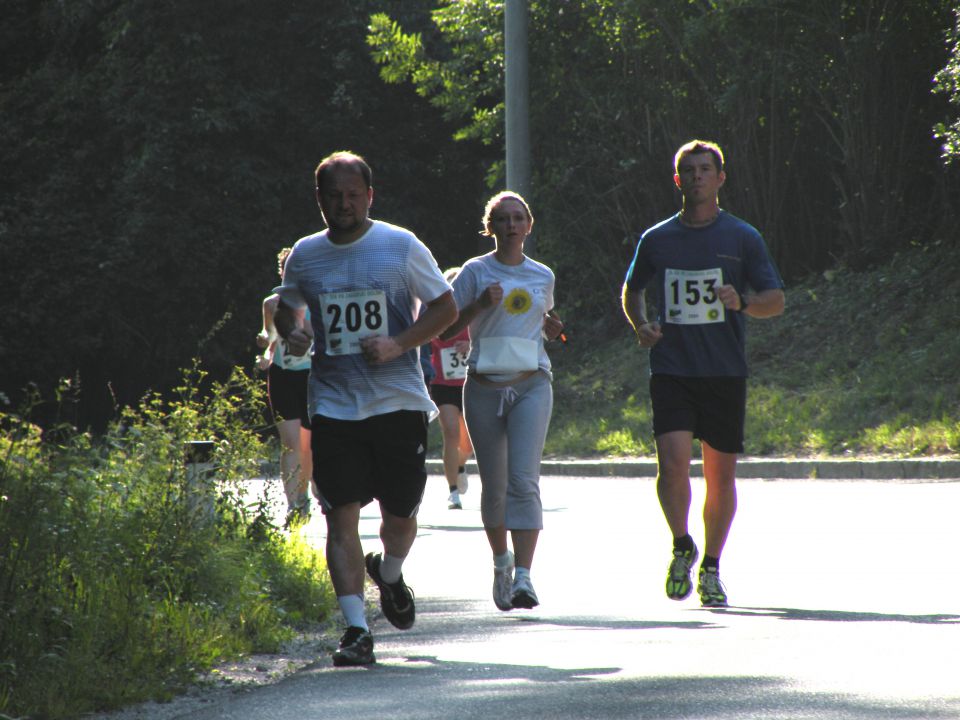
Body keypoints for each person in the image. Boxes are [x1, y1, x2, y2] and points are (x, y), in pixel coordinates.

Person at [272, 151, 458, 666]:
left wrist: (399, 344)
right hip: (333, 405)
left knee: (400, 515)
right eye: (335, 195)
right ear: (320, 199)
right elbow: (287, 308)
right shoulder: (306, 255)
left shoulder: (400, 245)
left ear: (369, 196)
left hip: (397, 401)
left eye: (354, 195)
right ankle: (356, 630)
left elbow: (445, 308)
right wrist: (296, 330)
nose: (345, 204)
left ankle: (391, 574)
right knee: (341, 519)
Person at [621, 139, 785, 608]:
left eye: (704, 169)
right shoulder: (657, 239)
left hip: (723, 372)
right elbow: (632, 289)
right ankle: (680, 545)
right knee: (671, 465)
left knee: (720, 476)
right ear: (677, 180)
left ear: (720, 178)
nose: (696, 176)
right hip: (672, 368)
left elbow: (775, 300)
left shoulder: (742, 237)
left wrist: (743, 301)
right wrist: (640, 325)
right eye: (688, 170)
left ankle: (711, 566)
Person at [441, 191, 564, 612]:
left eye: (518, 218)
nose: (511, 226)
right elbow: (445, 328)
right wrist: (478, 304)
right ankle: (501, 562)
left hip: (532, 382)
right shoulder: (475, 272)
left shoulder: (542, 275)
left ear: (529, 225)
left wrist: (551, 329)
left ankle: (526, 578)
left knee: (524, 481)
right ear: (490, 226)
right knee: (494, 487)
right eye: (502, 219)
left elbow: (541, 322)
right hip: (483, 385)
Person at [256, 247, 314, 527]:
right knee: (290, 444)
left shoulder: (316, 300)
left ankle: (308, 492)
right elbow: (270, 336)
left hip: (312, 377)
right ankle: (295, 504)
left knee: (309, 444)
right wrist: (265, 351)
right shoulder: (271, 304)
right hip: (282, 375)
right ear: (282, 273)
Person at [428, 267, 474, 510]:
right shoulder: (439, 312)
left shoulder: (474, 313)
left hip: (469, 382)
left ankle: (459, 466)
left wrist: (471, 345)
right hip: (443, 382)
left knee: (469, 444)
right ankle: (453, 491)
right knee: (450, 434)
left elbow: (485, 337)